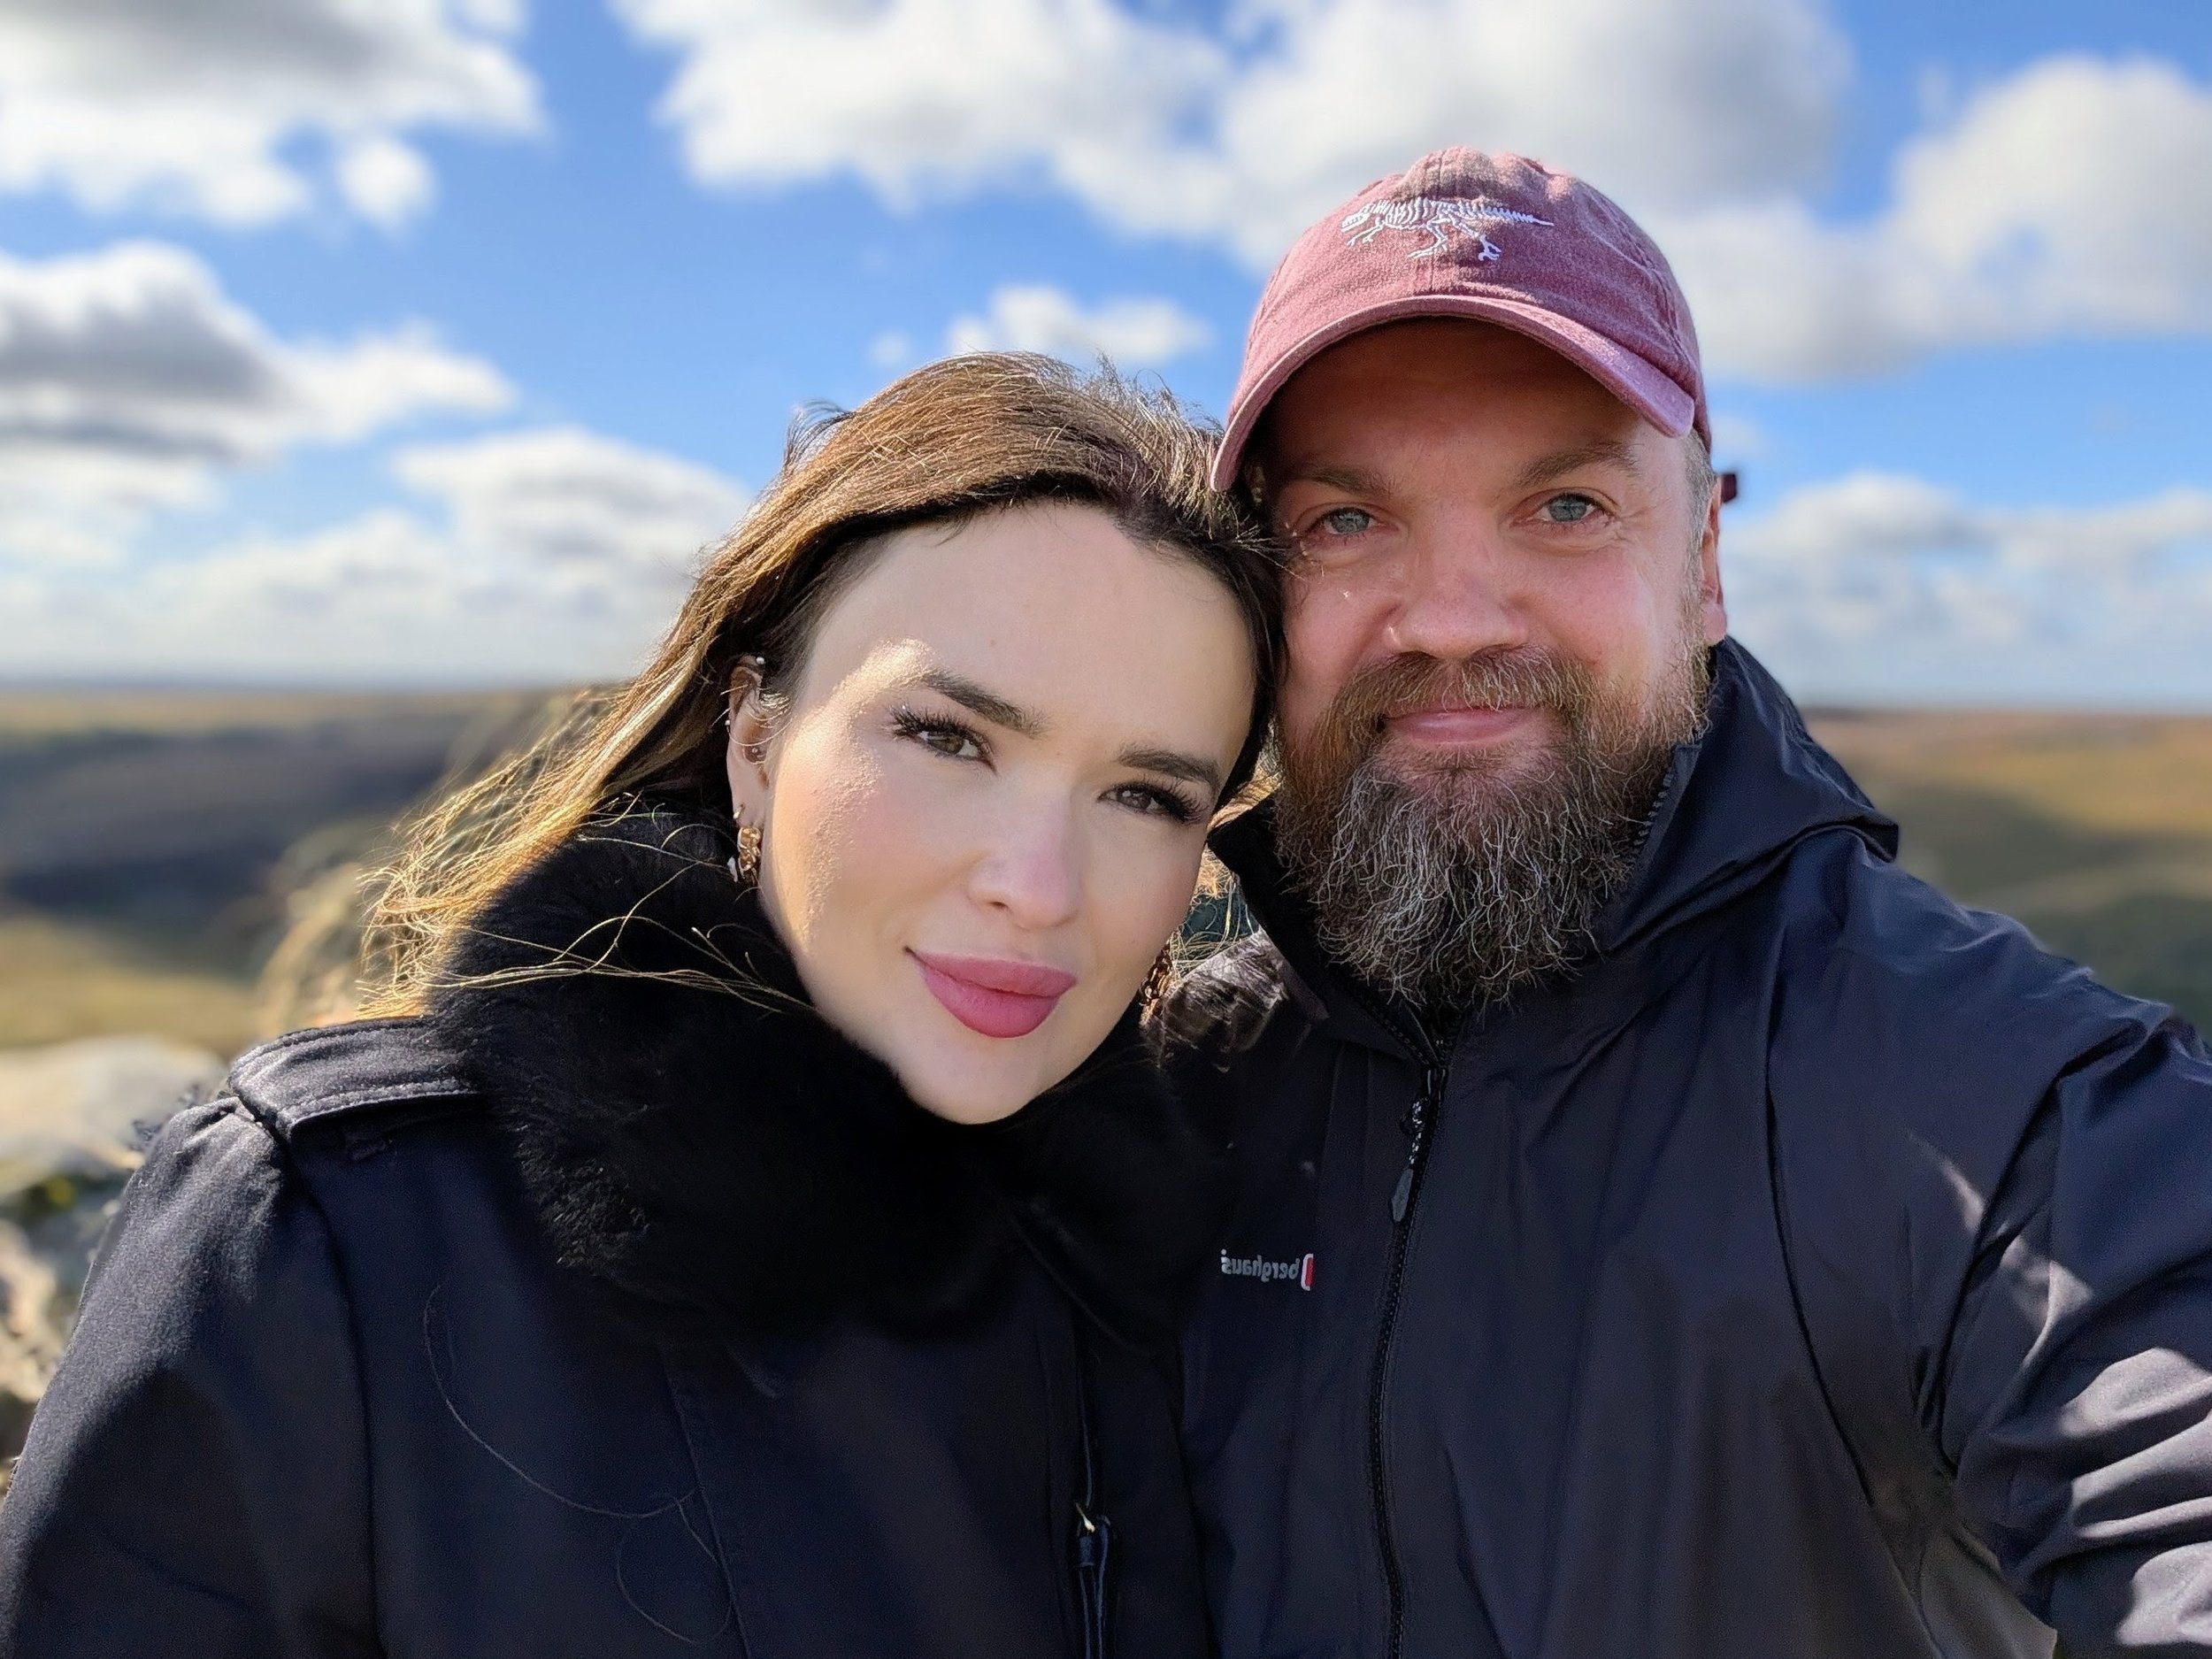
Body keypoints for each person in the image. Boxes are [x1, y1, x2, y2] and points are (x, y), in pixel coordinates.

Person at [0, 354, 1282, 1658]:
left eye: (1146, 796)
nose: (1039, 887)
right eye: (949, 738)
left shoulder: (1175, 1289)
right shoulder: (327, 1237)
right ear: (756, 740)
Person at [1166, 147, 2212, 1658]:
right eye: (1345, 521)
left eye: (1566, 504)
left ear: (1705, 561)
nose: (1450, 619)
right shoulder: (1179, 1082)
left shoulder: (2005, 1104)